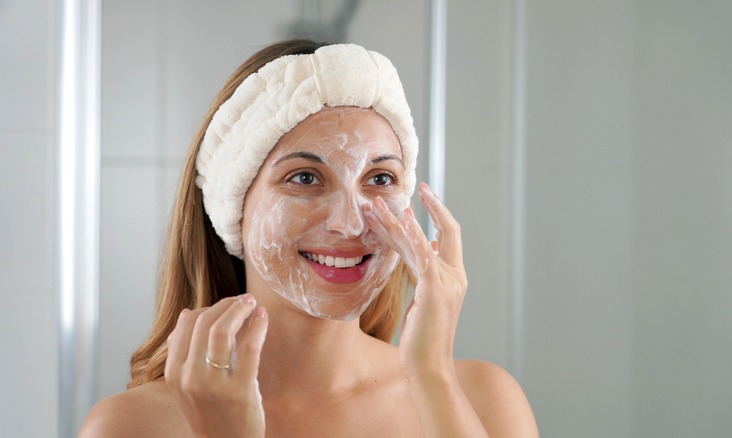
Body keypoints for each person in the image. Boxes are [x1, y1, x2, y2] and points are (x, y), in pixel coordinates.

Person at [80, 38, 538, 437]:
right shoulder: (133, 426)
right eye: (304, 177)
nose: (351, 224)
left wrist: (432, 375)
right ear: (231, 205)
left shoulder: (483, 399)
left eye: (380, 179)